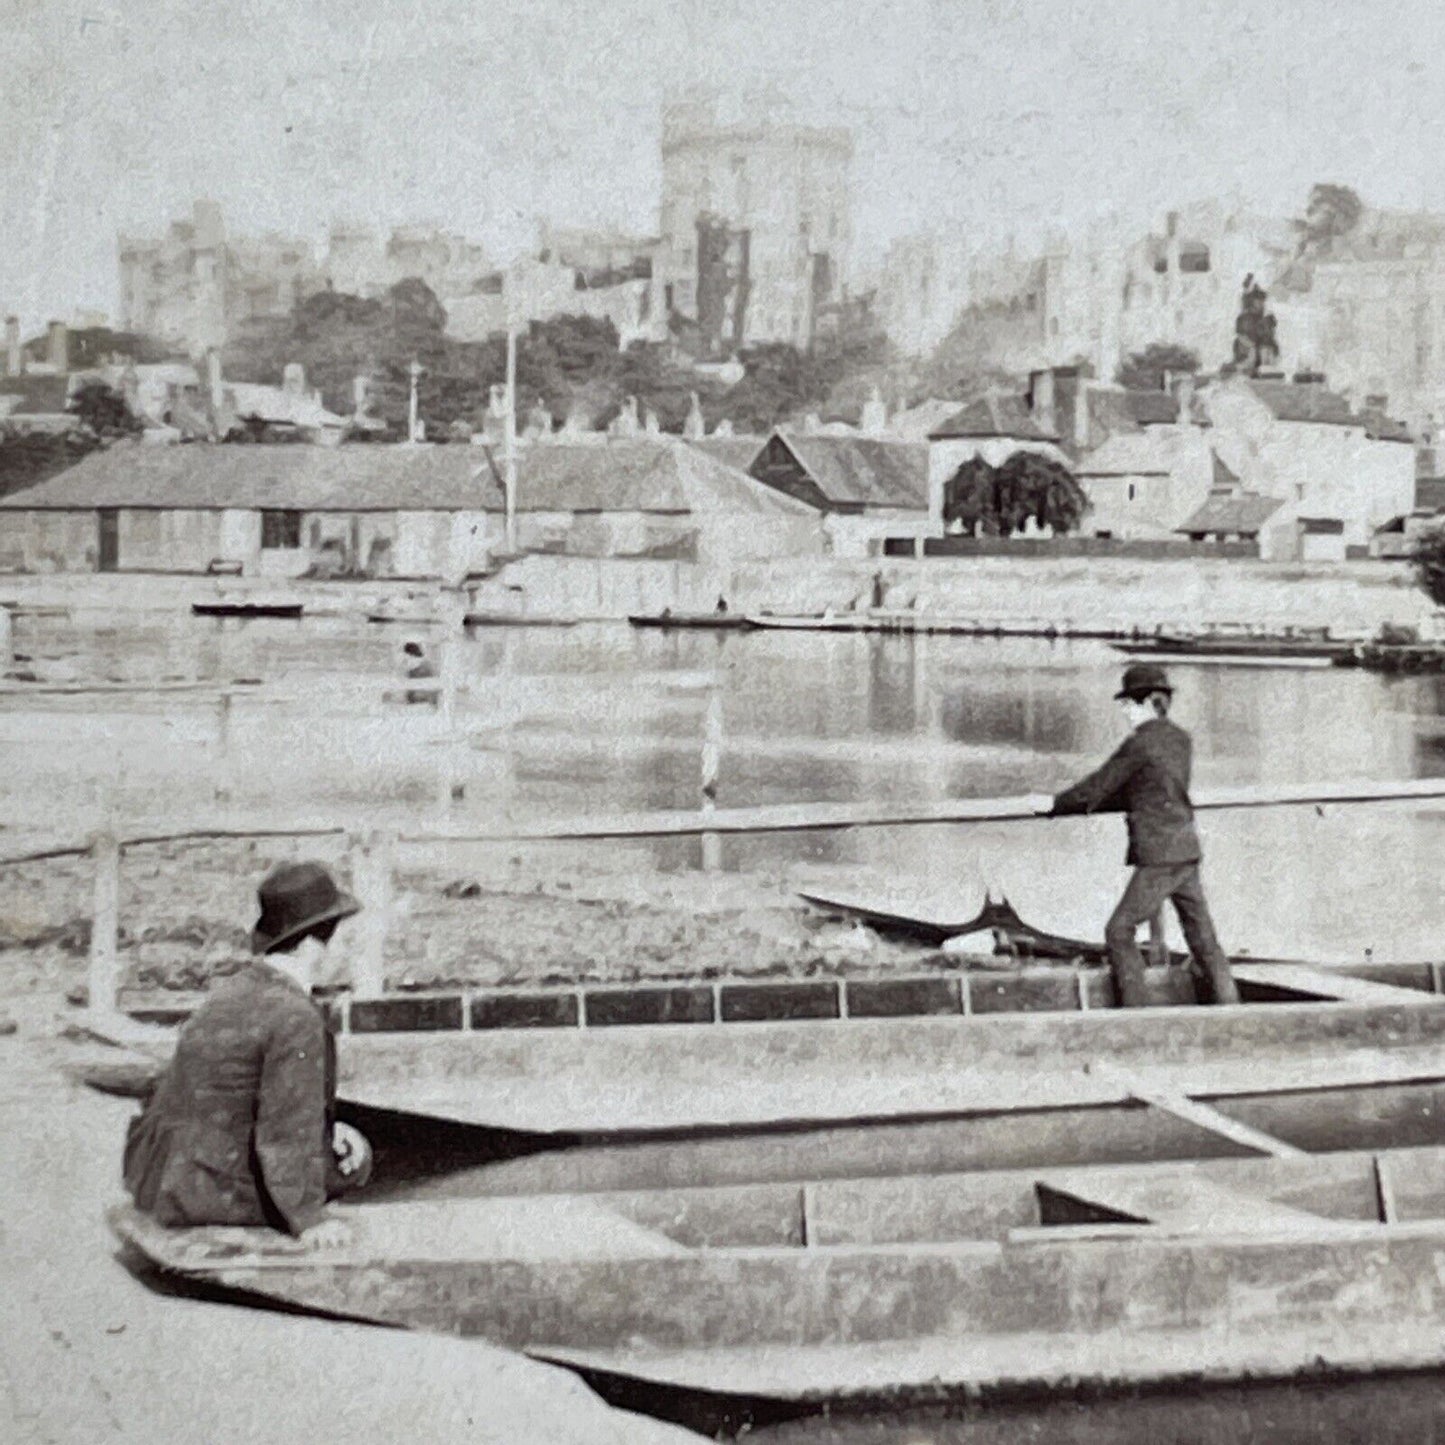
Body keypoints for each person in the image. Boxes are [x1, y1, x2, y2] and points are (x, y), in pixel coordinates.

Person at [123, 862, 373, 1245]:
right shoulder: (294, 1016)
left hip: (161, 1181)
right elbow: (285, 1134)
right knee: (359, 1163)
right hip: (209, 1199)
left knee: (340, 1154)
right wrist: (311, 1220)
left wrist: (324, 1132)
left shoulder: (232, 991)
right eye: (343, 940)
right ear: (310, 946)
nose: (348, 951)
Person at [1046, 663, 1239, 1008]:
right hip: (1186, 847)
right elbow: (1148, 786)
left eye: (1129, 704)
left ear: (1149, 702)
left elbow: (1096, 788)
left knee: (1118, 931)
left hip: (1160, 855)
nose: (1124, 711)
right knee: (1203, 939)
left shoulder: (1140, 744)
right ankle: (1232, 1012)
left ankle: (1137, 1015)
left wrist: (1052, 804)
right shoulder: (1180, 740)